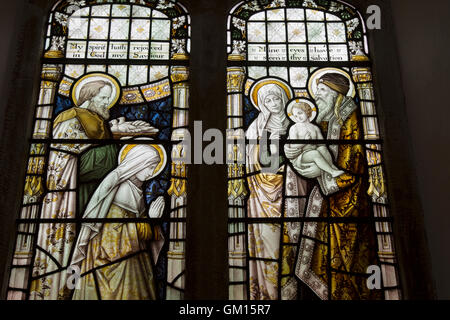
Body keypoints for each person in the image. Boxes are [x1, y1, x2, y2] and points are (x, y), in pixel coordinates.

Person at [29, 78, 157, 300]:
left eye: (109, 98)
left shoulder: (98, 122)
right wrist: (115, 146)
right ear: (89, 97)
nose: (108, 103)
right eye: (104, 98)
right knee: (76, 249)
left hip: (91, 194)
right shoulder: (70, 121)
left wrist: (116, 133)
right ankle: (65, 289)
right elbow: (70, 164)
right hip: (70, 197)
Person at [292, 72, 382, 300]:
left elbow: (355, 158)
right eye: (318, 91)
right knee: (319, 253)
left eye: (322, 91)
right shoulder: (323, 117)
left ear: (335, 93)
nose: (317, 96)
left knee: (350, 254)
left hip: (348, 196)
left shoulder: (350, 117)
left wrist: (331, 177)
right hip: (325, 194)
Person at [70, 144, 166, 300]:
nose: (152, 172)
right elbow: (113, 241)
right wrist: (151, 220)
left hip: (132, 262)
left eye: (155, 168)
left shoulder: (136, 190)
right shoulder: (119, 188)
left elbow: (138, 232)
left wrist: (151, 224)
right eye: (150, 167)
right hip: (114, 268)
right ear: (138, 163)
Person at [245, 80, 305, 300]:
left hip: (296, 184)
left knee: (297, 242)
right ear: (262, 104)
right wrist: (271, 167)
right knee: (270, 244)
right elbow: (251, 159)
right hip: (263, 192)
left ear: (284, 99)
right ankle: (268, 294)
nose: (273, 103)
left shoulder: (297, 121)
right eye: (267, 100)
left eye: (276, 98)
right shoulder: (257, 127)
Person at [286, 102, 345, 178]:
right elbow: (293, 146)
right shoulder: (294, 128)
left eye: (300, 113)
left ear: (307, 111)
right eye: (295, 116)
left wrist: (315, 142)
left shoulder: (315, 128)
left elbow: (322, 144)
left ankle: (331, 167)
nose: (298, 117)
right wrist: (305, 141)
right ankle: (332, 171)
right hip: (300, 156)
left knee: (323, 149)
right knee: (315, 153)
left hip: (314, 152)